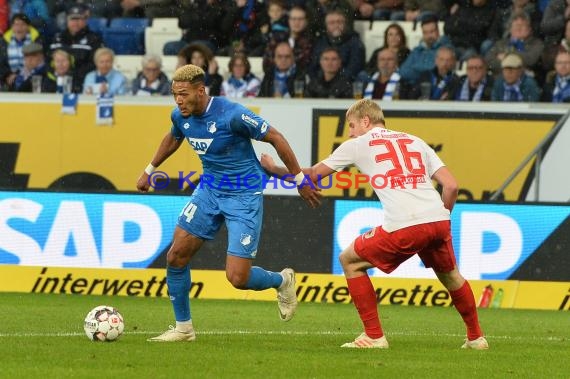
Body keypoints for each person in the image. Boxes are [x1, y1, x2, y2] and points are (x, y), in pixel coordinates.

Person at [260, 98, 488, 350]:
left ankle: (374, 336)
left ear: (365, 121)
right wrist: (439, 220)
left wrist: (274, 169)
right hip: (438, 219)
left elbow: (312, 175)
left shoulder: (358, 144)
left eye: (351, 125)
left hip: (404, 224)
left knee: (350, 261)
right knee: (451, 276)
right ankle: (476, 338)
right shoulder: (416, 141)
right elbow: (452, 186)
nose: (350, 132)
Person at [136, 64, 321, 342]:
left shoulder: (232, 114)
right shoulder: (180, 115)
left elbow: (276, 138)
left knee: (237, 278)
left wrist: (299, 180)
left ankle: (282, 280)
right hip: (209, 191)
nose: (178, 100)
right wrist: (150, 169)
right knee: (176, 256)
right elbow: (175, 136)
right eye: (175, 94)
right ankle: (184, 328)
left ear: (201, 91)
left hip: (244, 195)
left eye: (184, 94)